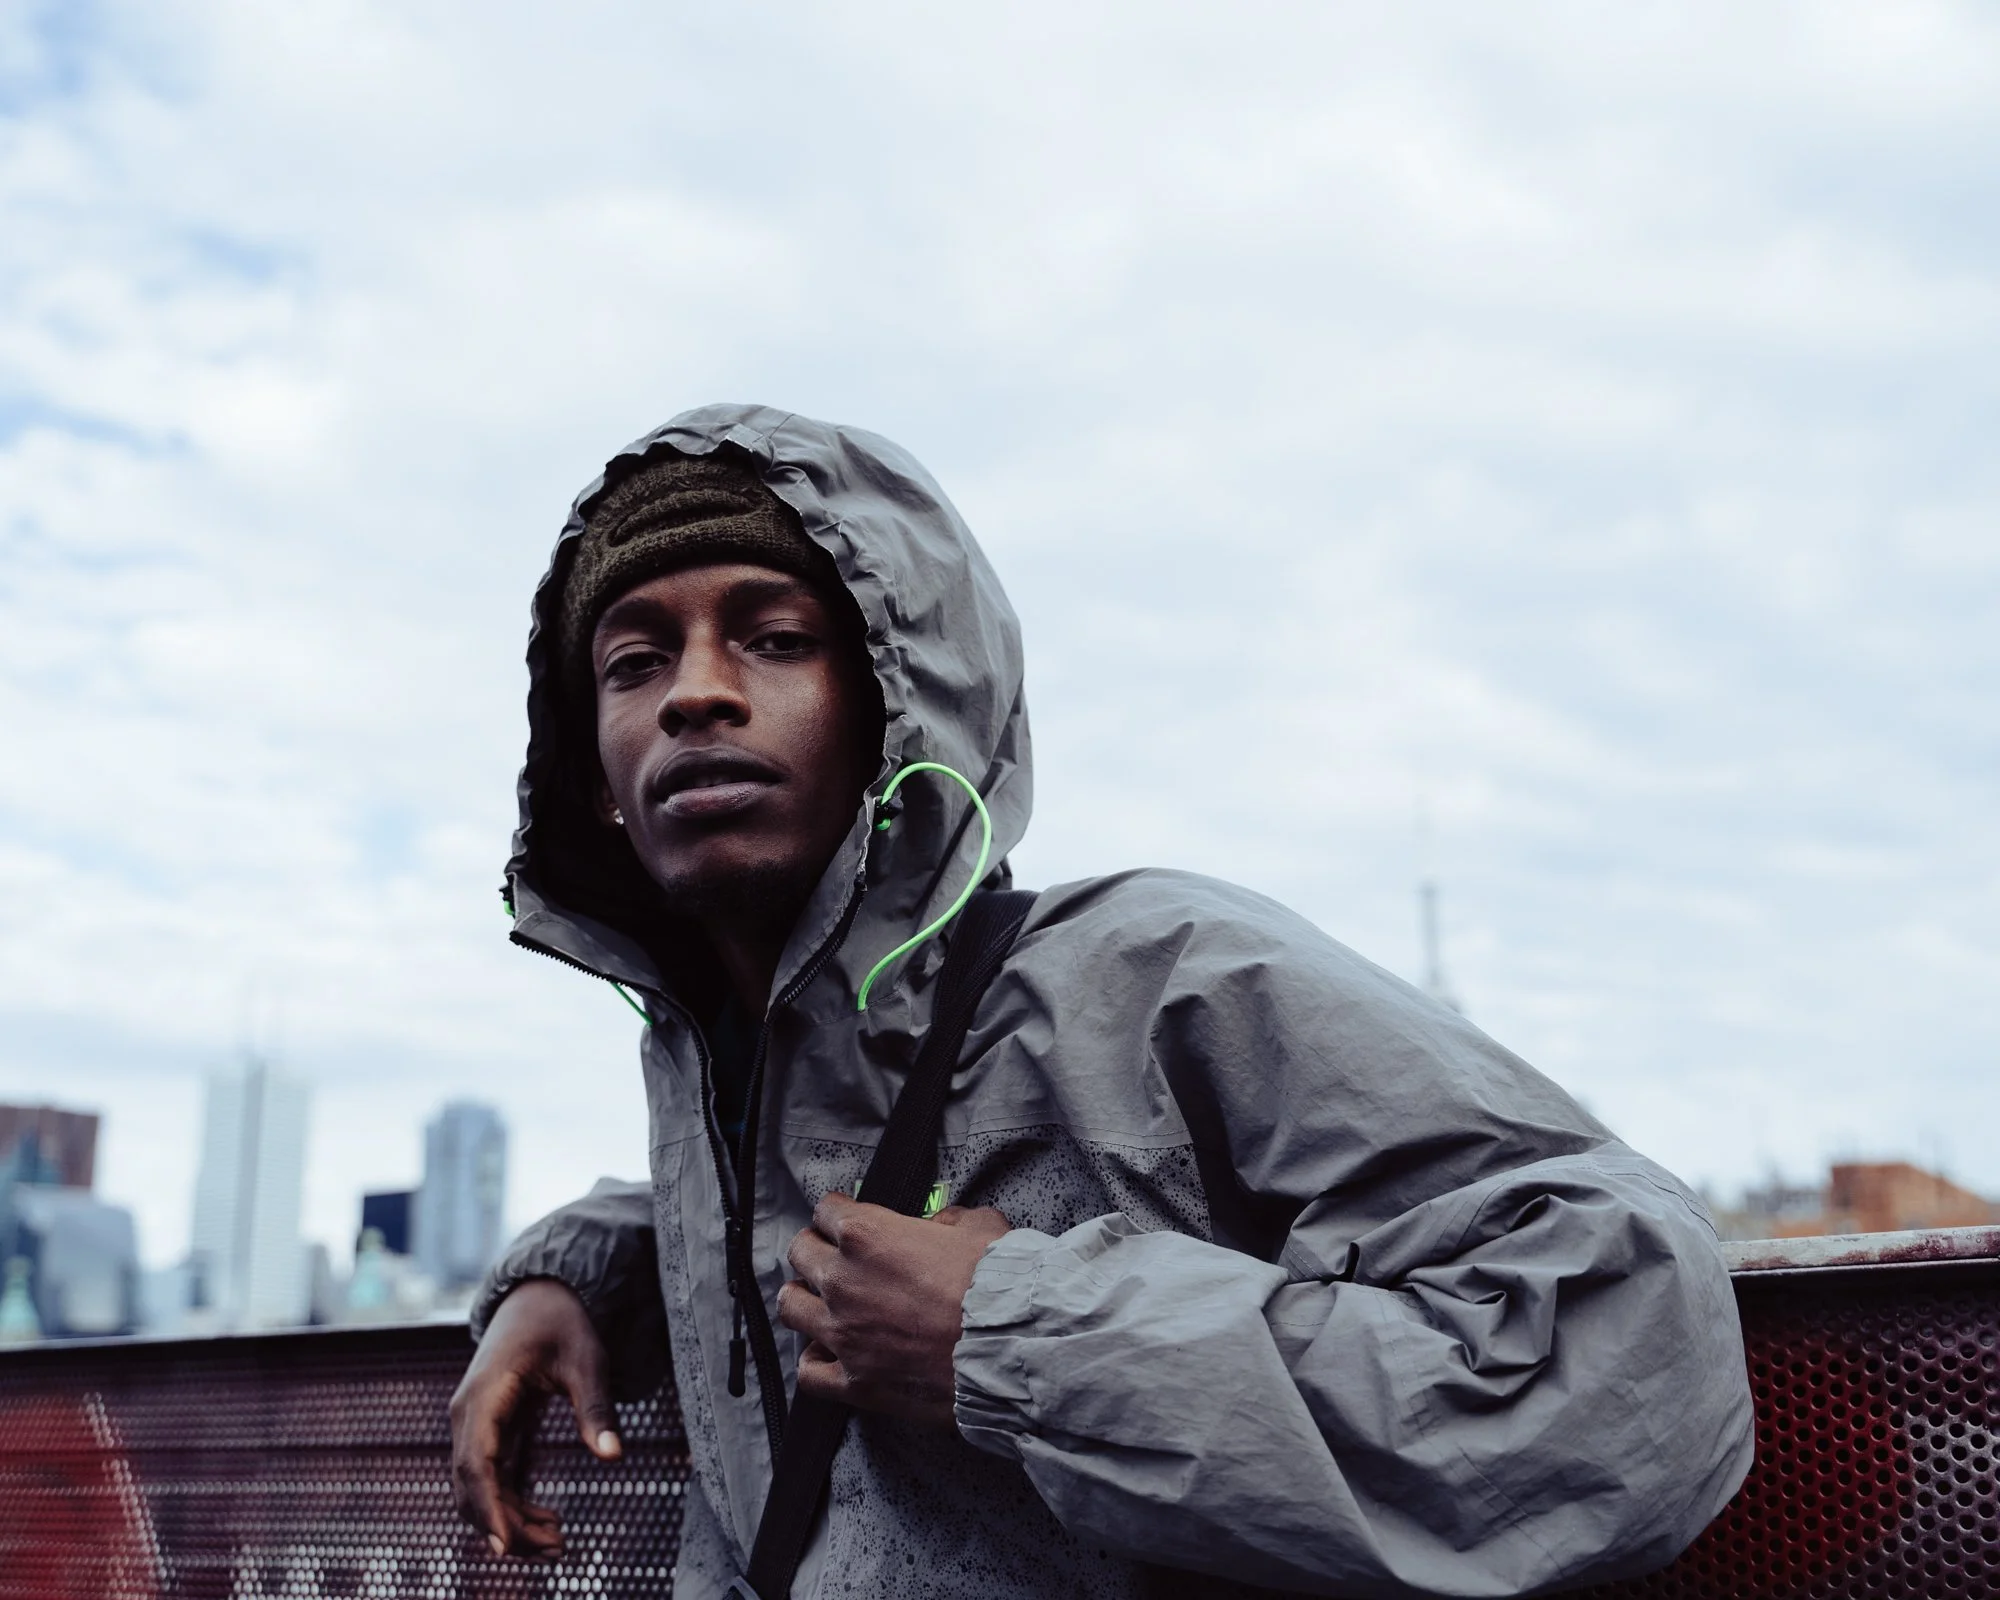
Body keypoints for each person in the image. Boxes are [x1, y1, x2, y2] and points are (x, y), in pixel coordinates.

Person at [449, 404, 1754, 1598]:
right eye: (631, 662)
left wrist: (1012, 1338)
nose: (696, 693)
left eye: (778, 637)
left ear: (900, 707)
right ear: (597, 787)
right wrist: (577, 1275)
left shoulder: (1158, 973)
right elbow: (811, 1178)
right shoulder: (720, 1074)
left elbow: (1639, 1348)